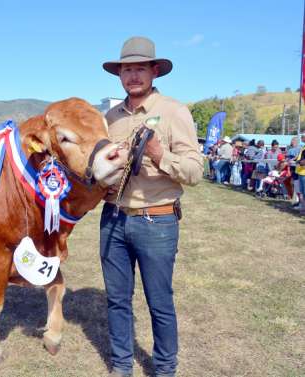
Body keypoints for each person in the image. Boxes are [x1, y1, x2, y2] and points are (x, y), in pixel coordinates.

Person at [101, 36, 203, 377]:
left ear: (154, 71)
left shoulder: (174, 112)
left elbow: (194, 172)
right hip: (113, 219)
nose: (133, 76)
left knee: (159, 302)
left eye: (139, 68)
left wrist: (160, 155)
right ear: (119, 74)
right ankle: (120, 365)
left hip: (157, 221)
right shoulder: (109, 117)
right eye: (126, 69)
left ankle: (164, 368)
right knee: (117, 300)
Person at [294, 133, 305, 214]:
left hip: (304, 172)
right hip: (301, 172)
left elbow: (303, 161)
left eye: (302, 137)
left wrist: (299, 162)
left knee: (304, 192)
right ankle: (302, 208)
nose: (301, 138)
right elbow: (300, 158)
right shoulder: (303, 147)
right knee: (302, 192)